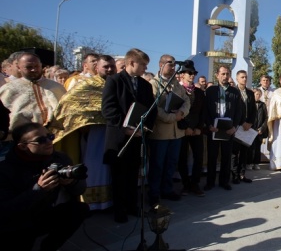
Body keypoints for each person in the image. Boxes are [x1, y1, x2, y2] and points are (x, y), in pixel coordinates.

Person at [0, 122, 90, 250]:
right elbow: (6, 211)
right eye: (41, 140)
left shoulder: (60, 158)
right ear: (23, 146)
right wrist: (38, 190)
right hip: (16, 223)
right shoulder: (5, 170)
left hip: (43, 214)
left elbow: (80, 190)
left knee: (79, 210)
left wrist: (72, 183)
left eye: (50, 136)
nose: (48, 142)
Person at [50, 55, 117, 211]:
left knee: (110, 167)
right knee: (94, 165)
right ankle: (91, 202)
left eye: (111, 66)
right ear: (97, 67)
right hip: (94, 133)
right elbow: (69, 104)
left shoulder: (117, 83)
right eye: (105, 66)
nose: (109, 69)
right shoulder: (86, 84)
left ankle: (110, 200)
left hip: (113, 131)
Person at [101, 48, 157, 223]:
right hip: (119, 137)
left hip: (138, 136)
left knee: (133, 174)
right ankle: (120, 210)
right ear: (131, 63)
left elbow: (151, 109)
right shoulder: (114, 81)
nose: (145, 69)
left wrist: (144, 127)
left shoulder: (146, 85)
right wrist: (124, 127)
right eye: (143, 65)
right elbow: (108, 109)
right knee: (119, 176)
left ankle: (133, 206)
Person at [147, 55, 190, 206]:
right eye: (169, 65)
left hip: (176, 132)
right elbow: (153, 108)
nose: (172, 68)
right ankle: (154, 193)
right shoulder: (153, 84)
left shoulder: (176, 85)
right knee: (157, 164)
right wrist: (171, 118)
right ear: (160, 65)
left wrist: (181, 113)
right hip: (161, 132)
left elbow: (186, 101)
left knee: (171, 163)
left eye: (174, 65)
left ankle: (167, 189)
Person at [0, 52, 66, 135]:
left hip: (54, 136)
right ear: (18, 67)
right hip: (20, 138)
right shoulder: (8, 89)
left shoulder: (56, 87)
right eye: (29, 67)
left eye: (36, 66)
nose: (34, 70)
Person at [204, 66, 242, 191]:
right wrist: (209, 125)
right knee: (212, 156)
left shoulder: (235, 92)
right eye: (223, 74)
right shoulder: (210, 91)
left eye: (227, 74)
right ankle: (210, 182)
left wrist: (234, 127)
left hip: (228, 128)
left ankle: (224, 181)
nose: (225, 76)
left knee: (226, 156)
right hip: (214, 128)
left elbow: (238, 112)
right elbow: (206, 110)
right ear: (217, 75)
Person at [177, 63, 206, 197]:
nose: (192, 75)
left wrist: (199, 128)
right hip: (182, 130)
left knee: (198, 157)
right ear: (182, 75)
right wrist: (186, 127)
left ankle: (195, 183)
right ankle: (186, 184)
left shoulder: (199, 92)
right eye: (189, 73)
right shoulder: (177, 90)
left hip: (196, 130)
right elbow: (175, 111)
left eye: (194, 73)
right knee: (182, 158)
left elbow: (203, 112)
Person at [232, 70, 256, 183]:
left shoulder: (250, 93)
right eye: (242, 77)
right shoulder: (233, 92)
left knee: (244, 152)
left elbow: (253, 111)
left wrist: (250, 123)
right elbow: (233, 111)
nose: (244, 79)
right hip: (237, 126)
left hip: (247, 127)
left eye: (246, 77)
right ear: (237, 78)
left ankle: (242, 174)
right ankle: (234, 175)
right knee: (234, 152)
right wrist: (241, 123)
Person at [248, 88, 268, 170]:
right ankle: (249, 163)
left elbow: (266, 118)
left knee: (257, 148)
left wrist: (262, 128)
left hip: (259, 130)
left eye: (260, 94)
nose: (258, 96)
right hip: (251, 129)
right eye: (256, 94)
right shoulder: (249, 104)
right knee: (250, 147)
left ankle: (256, 163)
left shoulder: (263, 105)